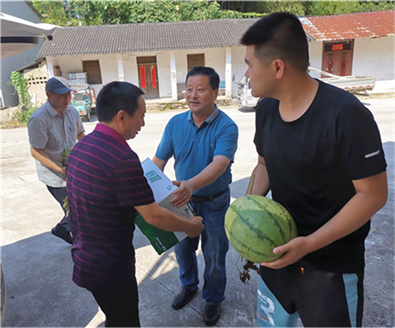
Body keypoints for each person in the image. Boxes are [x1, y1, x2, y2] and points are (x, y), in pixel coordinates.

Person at [240, 12, 388, 328]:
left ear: (278, 67)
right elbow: (263, 164)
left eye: (250, 64)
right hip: (276, 258)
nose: (246, 74)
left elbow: (373, 195)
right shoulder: (265, 108)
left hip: (330, 267)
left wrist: (308, 243)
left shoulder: (347, 116)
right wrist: (245, 209)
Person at [66, 81, 204, 328]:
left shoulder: (82, 148)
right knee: (126, 322)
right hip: (111, 267)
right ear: (121, 117)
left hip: (86, 259)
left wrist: (154, 186)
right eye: (140, 117)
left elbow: (105, 193)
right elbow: (154, 217)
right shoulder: (122, 158)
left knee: (114, 317)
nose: (143, 124)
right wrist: (190, 227)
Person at [152, 66, 238, 326]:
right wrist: (146, 185)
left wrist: (190, 184)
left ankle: (213, 299)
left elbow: (219, 164)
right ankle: (189, 286)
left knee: (213, 254)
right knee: (183, 251)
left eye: (200, 89)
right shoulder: (175, 123)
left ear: (215, 92)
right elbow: (159, 161)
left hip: (215, 203)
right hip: (181, 202)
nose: (193, 95)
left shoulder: (227, 127)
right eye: (189, 89)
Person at [28, 76, 85, 244]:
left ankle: (61, 228)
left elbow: (80, 134)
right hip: (55, 176)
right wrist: (61, 171)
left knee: (79, 205)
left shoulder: (72, 112)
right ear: (49, 95)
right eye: (62, 95)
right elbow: (36, 151)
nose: (67, 99)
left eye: (69, 94)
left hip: (73, 169)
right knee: (76, 212)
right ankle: (80, 245)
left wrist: (91, 151)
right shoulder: (39, 119)